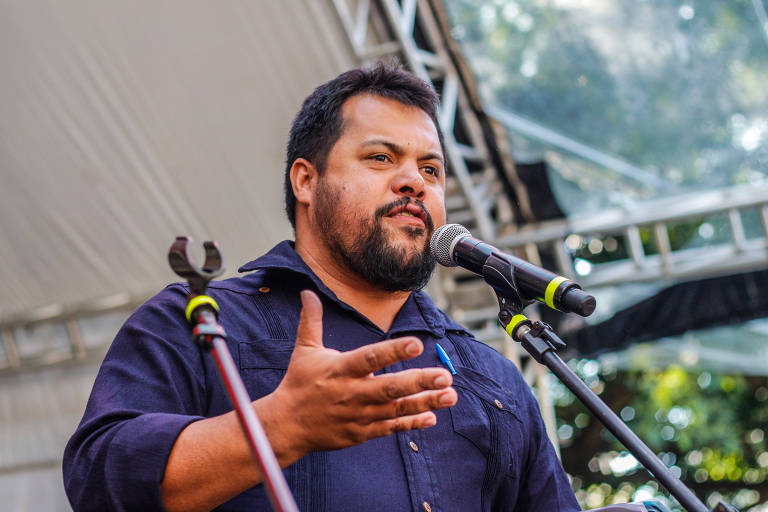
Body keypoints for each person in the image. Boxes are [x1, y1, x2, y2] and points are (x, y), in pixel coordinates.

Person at [63, 63, 581, 512]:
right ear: (305, 181)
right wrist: (278, 427)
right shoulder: (198, 318)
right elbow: (98, 480)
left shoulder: (493, 375)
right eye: (381, 158)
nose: (415, 182)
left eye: (431, 169)